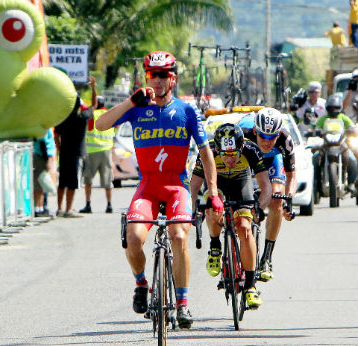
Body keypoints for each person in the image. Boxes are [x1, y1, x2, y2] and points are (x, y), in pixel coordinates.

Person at [95, 50, 223, 329]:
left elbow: (206, 153)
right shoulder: (137, 108)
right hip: (148, 186)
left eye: (164, 75)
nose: (158, 81)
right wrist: (130, 102)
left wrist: (212, 191)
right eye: (153, 75)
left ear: (173, 78)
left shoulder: (187, 111)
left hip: (177, 185)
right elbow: (100, 124)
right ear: (147, 78)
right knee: (133, 239)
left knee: (178, 237)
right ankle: (142, 284)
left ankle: (182, 304)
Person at [190, 123, 271, 308]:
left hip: (241, 183)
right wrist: (195, 209)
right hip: (216, 184)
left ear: (241, 147)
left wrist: (259, 207)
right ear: (217, 149)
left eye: (234, 154)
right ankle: (215, 245)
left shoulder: (251, 149)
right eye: (224, 154)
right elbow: (194, 186)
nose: (229, 159)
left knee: (244, 227)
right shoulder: (207, 151)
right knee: (211, 206)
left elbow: (266, 186)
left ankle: (250, 286)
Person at [238, 108, 297, 281]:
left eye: (272, 137)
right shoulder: (243, 133)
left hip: (272, 160)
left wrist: (289, 203)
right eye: (262, 136)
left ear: (278, 134)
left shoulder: (285, 139)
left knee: (277, 199)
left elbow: (292, 175)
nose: (266, 141)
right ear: (255, 131)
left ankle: (266, 258)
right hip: (246, 158)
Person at [55, 77, 97, 217]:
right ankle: (68, 209)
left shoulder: (62, 119)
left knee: (62, 183)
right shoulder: (82, 118)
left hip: (65, 154)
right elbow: (94, 105)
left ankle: (59, 208)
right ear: (78, 106)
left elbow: (56, 135)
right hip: (77, 154)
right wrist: (93, 89)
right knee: (72, 183)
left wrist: (59, 148)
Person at [79, 92, 114, 214]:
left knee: (88, 179)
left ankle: (88, 204)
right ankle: (109, 205)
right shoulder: (109, 115)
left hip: (92, 152)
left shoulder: (92, 115)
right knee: (108, 180)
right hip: (107, 151)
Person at [315, 95, 357, 193]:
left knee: (353, 160)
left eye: (336, 108)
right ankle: (316, 184)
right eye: (331, 108)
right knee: (315, 159)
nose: (333, 110)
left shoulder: (343, 118)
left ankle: (351, 183)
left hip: (342, 145)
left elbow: (352, 126)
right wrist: (314, 131)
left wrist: (353, 130)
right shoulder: (323, 118)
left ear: (340, 108)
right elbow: (316, 127)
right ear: (327, 108)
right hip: (326, 145)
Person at [33, 128, 56, 217]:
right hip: (41, 156)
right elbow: (44, 143)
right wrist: (48, 159)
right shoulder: (44, 128)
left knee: (40, 185)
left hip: (40, 155)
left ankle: (40, 207)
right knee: (40, 184)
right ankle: (38, 208)